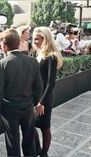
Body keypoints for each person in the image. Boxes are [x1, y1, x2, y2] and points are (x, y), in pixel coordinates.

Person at [0, 28, 43, 156]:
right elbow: (38, 86)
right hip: (27, 107)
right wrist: (34, 103)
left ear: (4, 46)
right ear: (18, 42)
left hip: (9, 109)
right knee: (29, 138)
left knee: (12, 141)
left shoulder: (1, 64)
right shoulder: (32, 61)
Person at [32, 26, 63, 157]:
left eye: (37, 39)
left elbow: (51, 83)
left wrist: (41, 102)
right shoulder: (36, 53)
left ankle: (44, 154)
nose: (34, 41)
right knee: (30, 125)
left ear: (45, 39)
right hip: (34, 97)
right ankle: (38, 149)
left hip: (44, 98)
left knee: (45, 127)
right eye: (33, 39)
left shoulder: (51, 57)